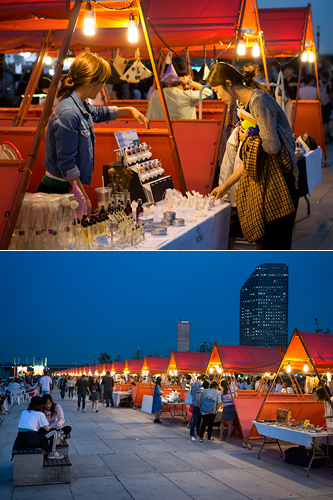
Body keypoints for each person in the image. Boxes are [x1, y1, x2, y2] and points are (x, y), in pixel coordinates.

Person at [37, 52, 149, 215]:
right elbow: (67, 164)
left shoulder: (79, 104)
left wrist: (129, 110)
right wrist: (83, 196)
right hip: (57, 190)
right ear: (91, 83)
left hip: (67, 187)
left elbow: (98, 113)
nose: (102, 86)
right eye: (102, 82)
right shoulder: (68, 112)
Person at [209, 62, 299, 250]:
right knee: (266, 247)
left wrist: (249, 136)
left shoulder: (258, 100)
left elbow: (272, 147)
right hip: (270, 182)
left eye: (217, 90)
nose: (218, 96)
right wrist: (225, 186)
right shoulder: (244, 105)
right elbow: (254, 154)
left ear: (228, 83)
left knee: (274, 248)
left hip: (279, 183)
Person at [146, 62, 212, 120]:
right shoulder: (187, 95)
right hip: (185, 132)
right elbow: (208, 92)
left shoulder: (155, 94)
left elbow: (149, 116)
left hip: (162, 132)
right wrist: (189, 82)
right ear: (183, 78)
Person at [319, 70, 332, 143]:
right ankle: (324, 137)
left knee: (320, 121)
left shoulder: (318, 82)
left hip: (319, 103)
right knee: (325, 122)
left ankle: (320, 137)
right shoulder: (329, 83)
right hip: (327, 104)